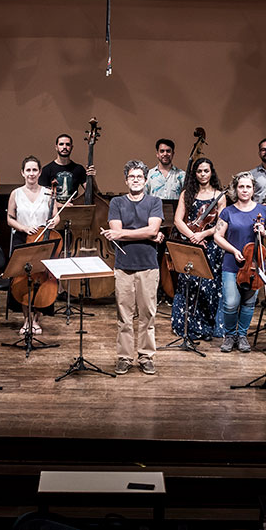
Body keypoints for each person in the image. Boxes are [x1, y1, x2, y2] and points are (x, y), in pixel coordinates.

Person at [102, 160, 164, 375]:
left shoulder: (155, 201)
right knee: (124, 317)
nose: (136, 180)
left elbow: (152, 230)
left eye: (139, 176)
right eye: (132, 176)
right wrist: (146, 232)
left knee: (148, 315)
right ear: (126, 180)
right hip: (123, 266)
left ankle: (146, 356)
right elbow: (122, 229)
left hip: (148, 265)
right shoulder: (117, 202)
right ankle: (124, 357)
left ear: (145, 180)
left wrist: (123, 234)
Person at [214, 172, 266, 353]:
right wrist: (234, 250)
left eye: (248, 186)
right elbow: (218, 236)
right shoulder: (228, 211)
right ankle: (229, 335)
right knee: (231, 303)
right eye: (241, 186)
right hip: (231, 263)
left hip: (254, 264)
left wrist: (264, 232)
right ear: (235, 189)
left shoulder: (262, 211)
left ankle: (242, 335)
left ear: (253, 189)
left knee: (249, 303)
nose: (244, 190)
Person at [171, 157, 225, 341]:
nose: (203, 174)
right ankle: (186, 325)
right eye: (199, 171)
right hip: (190, 243)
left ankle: (206, 325)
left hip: (210, 245)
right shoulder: (187, 193)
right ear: (194, 174)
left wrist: (203, 235)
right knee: (188, 283)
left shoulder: (220, 195)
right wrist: (192, 236)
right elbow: (178, 220)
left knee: (208, 286)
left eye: (206, 171)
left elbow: (221, 223)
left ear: (212, 173)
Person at [7, 155, 58, 333]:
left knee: (41, 280)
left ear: (40, 172)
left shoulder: (48, 192)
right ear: (23, 172)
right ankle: (26, 320)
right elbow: (10, 219)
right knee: (23, 281)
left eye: (34, 170)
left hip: (43, 241)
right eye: (28, 170)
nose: (31, 173)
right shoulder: (16, 193)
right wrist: (24, 227)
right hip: (24, 240)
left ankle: (36, 319)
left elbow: (56, 216)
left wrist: (54, 222)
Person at [38, 133, 97, 203]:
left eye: (67, 144)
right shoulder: (46, 170)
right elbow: (42, 196)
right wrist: (58, 205)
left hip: (73, 210)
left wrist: (92, 177)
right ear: (56, 147)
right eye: (61, 144)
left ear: (72, 147)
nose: (64, 147)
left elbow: (93, 192)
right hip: (54, 211)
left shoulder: (79, 169)